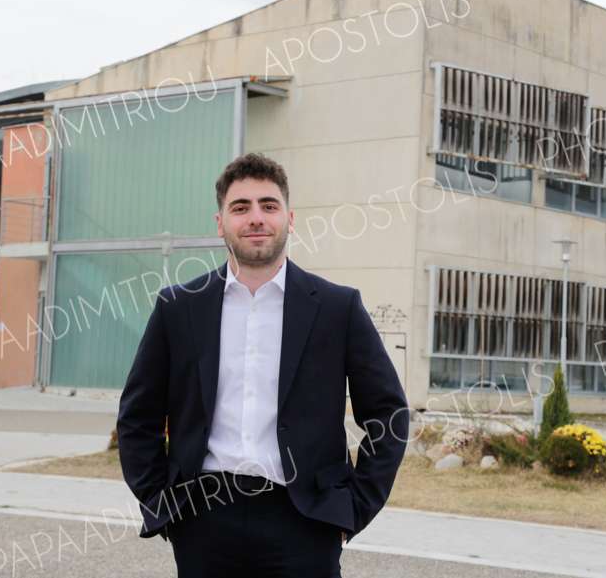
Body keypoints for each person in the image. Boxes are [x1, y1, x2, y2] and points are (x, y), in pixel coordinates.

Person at [116, 152, 410, 577]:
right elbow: (137, 417)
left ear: (289, 218)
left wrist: (353, 508)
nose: (256, 217)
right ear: (220, 223)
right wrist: (164, 504)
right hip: (203, 521)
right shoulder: (178, 307)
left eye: (268, 205)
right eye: (241, 207)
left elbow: (389, 415)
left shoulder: (337, 308)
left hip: (305, 522)